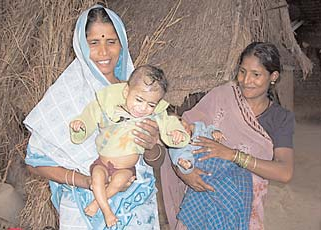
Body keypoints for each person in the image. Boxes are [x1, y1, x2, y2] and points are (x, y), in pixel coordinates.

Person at [23, 5, 166, 229]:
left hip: (137, 211)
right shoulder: (65, 96)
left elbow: (156, 160)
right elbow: (34, 162)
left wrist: (151, 146)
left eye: (111, 42)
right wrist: (86, 181)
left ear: (122, 45)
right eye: (94, 43)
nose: (104, 53)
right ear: (81, 45)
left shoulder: (141, 94)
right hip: (83, 211)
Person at [161, 42, 295, 230]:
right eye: (242, 72)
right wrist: (185, 174)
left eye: (256, 74)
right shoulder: (221, 96)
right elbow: (177, 135)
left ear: (273, 77)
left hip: (243, 207)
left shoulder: (280, 118)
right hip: (200, 199)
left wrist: (233, 155)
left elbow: (284, 172)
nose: (246, 80)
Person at [69, 64, 189, 227]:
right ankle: (106, 211)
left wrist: (176, 133)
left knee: (120, 181)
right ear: (126, 92)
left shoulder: (155, 115)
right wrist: (81, 125)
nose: (143, 108)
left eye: (151, 104)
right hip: (102, 163)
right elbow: (89, 116)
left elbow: (170, 124)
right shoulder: (108, 106)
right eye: (139, 100)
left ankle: (97, 204)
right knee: (96, 178)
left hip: (126, 169)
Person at [169, 119, 253, 229]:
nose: (181, 126)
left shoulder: (198, 127)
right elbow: (184, 164)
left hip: (225, 163)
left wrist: (215, 133)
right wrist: (187, 166)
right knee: (220, 199)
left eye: (180, 120)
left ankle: (236, 219)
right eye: (176, 128)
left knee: (243, 176)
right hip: (205, 167)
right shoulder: (178, 146)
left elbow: (210, 130)